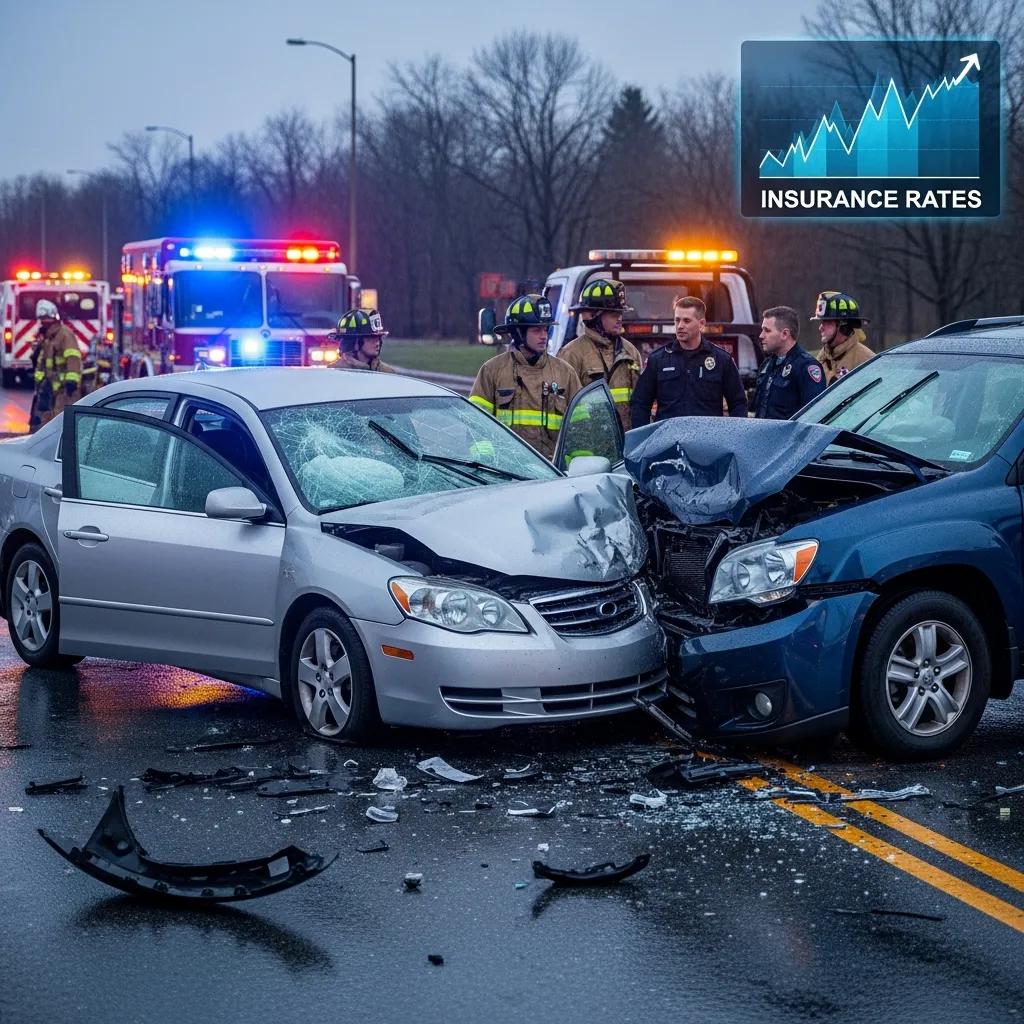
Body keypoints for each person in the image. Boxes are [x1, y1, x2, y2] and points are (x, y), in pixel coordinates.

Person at [470, 293, 581, 461]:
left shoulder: (565, 373)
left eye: (546, 329)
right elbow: (475, 422)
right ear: (518, 333)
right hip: (507, 472)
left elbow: (580, 429)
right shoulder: (492, 371)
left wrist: (578, 466)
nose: (544, 335)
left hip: (554, 474)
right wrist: (486, 458)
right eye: (537, 330)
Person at [630, 295, 747, 427]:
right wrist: (644, 441)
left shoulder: (722, 360)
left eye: (686, 321)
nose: (680, 326)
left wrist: (730, 438)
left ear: (701, 324)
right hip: (668, 442)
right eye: (677, 320)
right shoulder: (658, 360)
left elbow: (738, 404)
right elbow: (640, 404)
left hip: (707, 442)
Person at [558, 278, 642, 430]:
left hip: (627, 443)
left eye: (620, 314)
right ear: (592, 316)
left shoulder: (630, 352)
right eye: (613, 314)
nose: (620, 319)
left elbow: (640, 403)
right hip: (589, 445)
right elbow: (562, 407)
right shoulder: (572, 354)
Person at [753, 305, 827, 419]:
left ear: (785, 334)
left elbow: (813, 416)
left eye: (767, 331)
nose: (761, 336)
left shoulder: (806, 367)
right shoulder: (767, 365)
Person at [32, 299, 82, 428]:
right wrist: (40, 383)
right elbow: (42, 363)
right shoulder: (48, 338)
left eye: (45, 320)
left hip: (64, 390)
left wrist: (71, 381)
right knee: (46, 424)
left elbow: (73, 357)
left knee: (61, 424)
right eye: (42, 320)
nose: (43, 324)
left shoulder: (65, 335)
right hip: (50, 389)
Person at [811, 291, 875, 384]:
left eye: (827, 322)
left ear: (842, 324)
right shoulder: (822, 358)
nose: (820, 328)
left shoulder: (867, 361)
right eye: (821, 322)